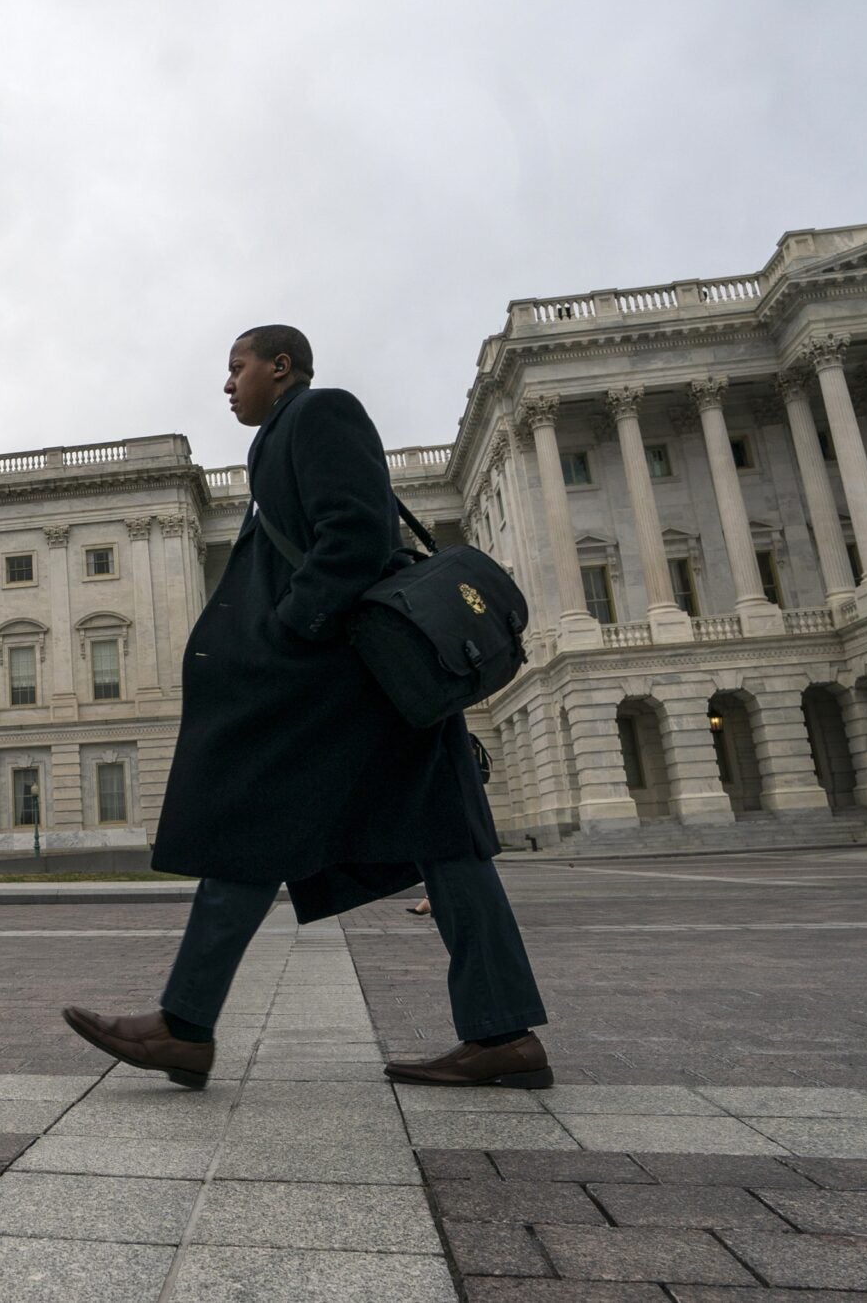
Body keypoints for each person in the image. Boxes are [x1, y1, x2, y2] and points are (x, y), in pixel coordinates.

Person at [63, 325, 552, 1090]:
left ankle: (186, 1025)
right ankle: (501, 1034)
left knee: (265, 828)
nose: (229, 384)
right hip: (361, 682)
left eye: (238, 367)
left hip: (352, 679)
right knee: (436, 841)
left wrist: (289, 631)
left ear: (281, 366)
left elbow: (354, 536)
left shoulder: (322, 413)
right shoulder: (283, 438)